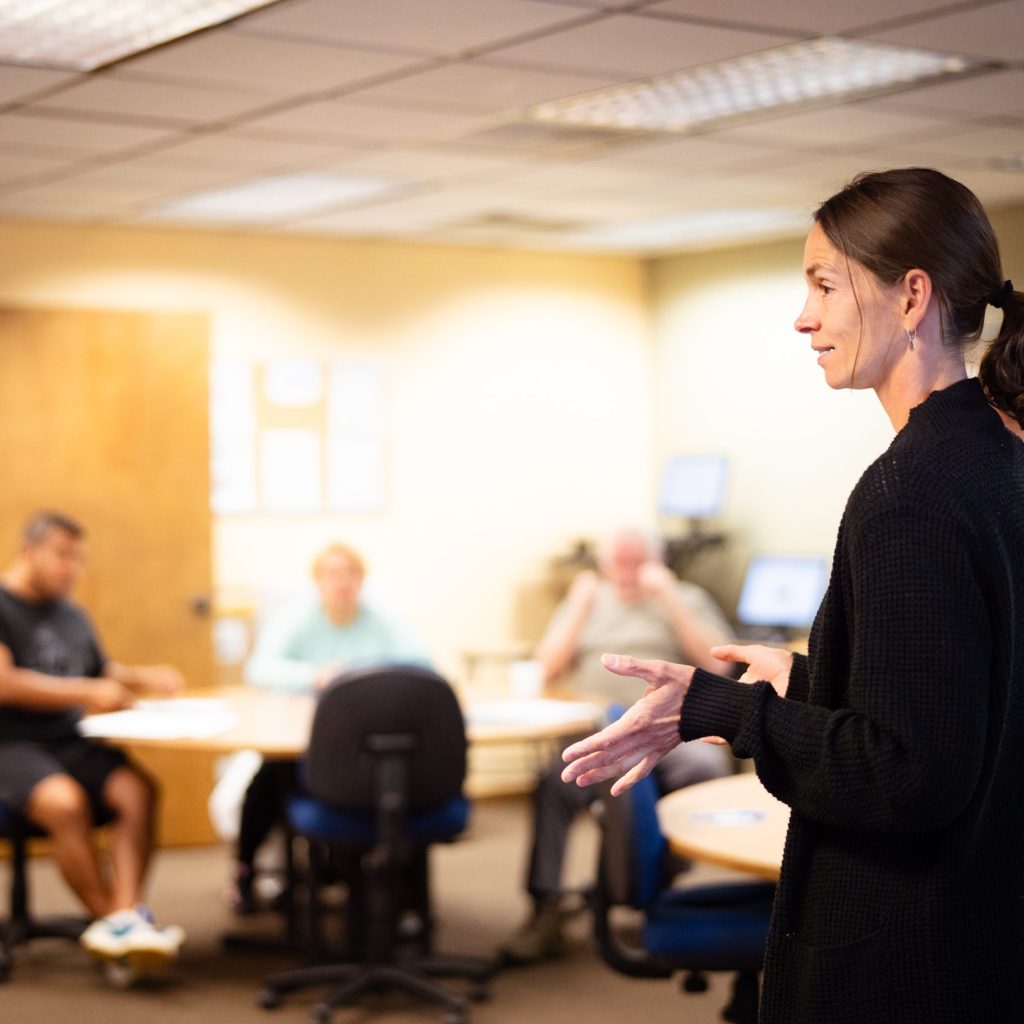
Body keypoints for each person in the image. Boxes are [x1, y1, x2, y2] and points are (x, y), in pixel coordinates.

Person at [560, 168, 1024, 1023]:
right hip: (988, 935)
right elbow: (967, 711)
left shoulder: (909, 494)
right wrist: (809, 681)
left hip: (906, 958)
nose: (804, 316)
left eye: (823, 284)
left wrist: (718, 710)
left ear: (911, 295)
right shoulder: (999, 463)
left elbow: (907, 776)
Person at [499, 526, 735, 964]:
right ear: (604, 566)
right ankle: (545, 905)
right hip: (600, 732)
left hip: (674, 731)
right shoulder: (587, 602)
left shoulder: (686, 597)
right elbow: (545, 669)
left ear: (658, 561)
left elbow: (717, 670)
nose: (627, 573)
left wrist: (671, 600)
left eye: (637, 561)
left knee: (704, 769)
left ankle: (656, 879)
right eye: (618, 563)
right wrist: (577, 606)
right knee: (554, 783)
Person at [0, 510, 186, 974]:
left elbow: (100, 673)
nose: (70, 568)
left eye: (77, 559)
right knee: (65, 804)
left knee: (137, 792)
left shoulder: (72, 613)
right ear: (28, 552)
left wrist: (147, 678)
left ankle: (123, 920)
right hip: (11, 745)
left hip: (71, 739)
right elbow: (4, 683)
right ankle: (116, 927)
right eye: (61, 555)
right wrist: (87, 692)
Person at [226, 541, 429, 912]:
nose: (342, 583)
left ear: (362, 581)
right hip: (305, 732)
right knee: (272, 775)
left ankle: (394, 888)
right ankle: (245, 869)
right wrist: (314, 676)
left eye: (351, 574)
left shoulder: (381, 620)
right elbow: (260, 669)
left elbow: (421, 664)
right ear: (316, 582)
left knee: (395, 774)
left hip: (366, 737)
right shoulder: (296, 620)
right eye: (332, 575)